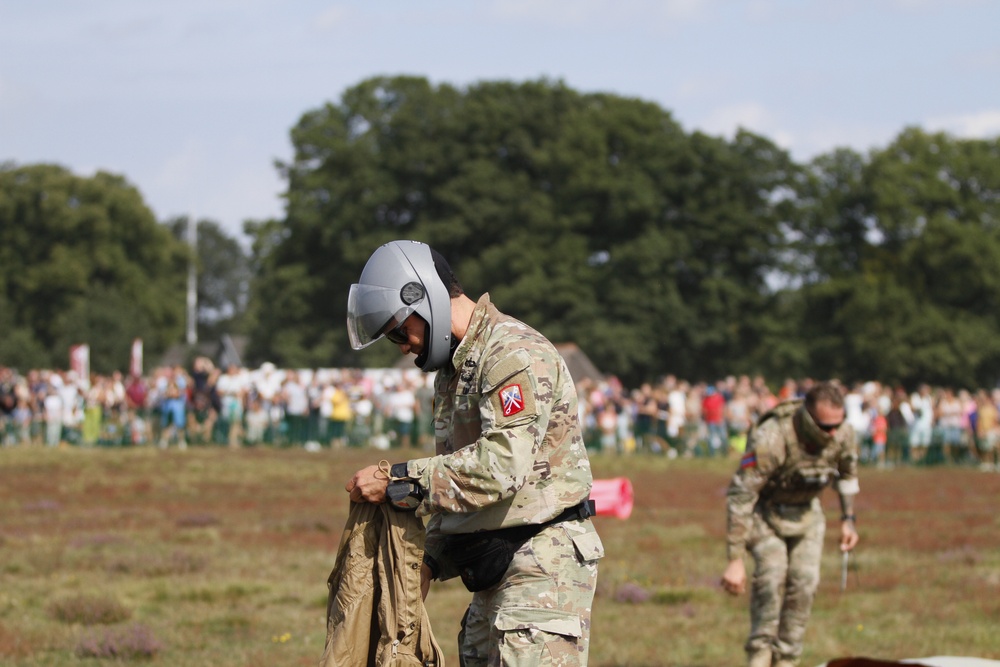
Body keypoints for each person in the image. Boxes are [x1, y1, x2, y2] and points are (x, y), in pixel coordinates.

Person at [344, 240, 604, 666]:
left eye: (397, 330)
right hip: (492, 568)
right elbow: (459, 488)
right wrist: (426, 562)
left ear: (423, 297)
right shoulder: (453, 372)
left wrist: (397, 479)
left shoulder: (511, 354)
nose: (402, 347)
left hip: (540, 567)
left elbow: (500, 467)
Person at [721, 381, 860, 667]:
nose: (832, 433)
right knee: (771, 581)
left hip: (808, 516)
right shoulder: (773, 437)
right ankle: (759, 657)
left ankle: (787, 660)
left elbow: (847, 475)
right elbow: (741, 495)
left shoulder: (843, 434)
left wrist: (848, 520)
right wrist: (735, 559)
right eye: (825, 427)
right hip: (767, 515)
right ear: (808, 417)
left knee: (805, 584)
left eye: (837, 425)